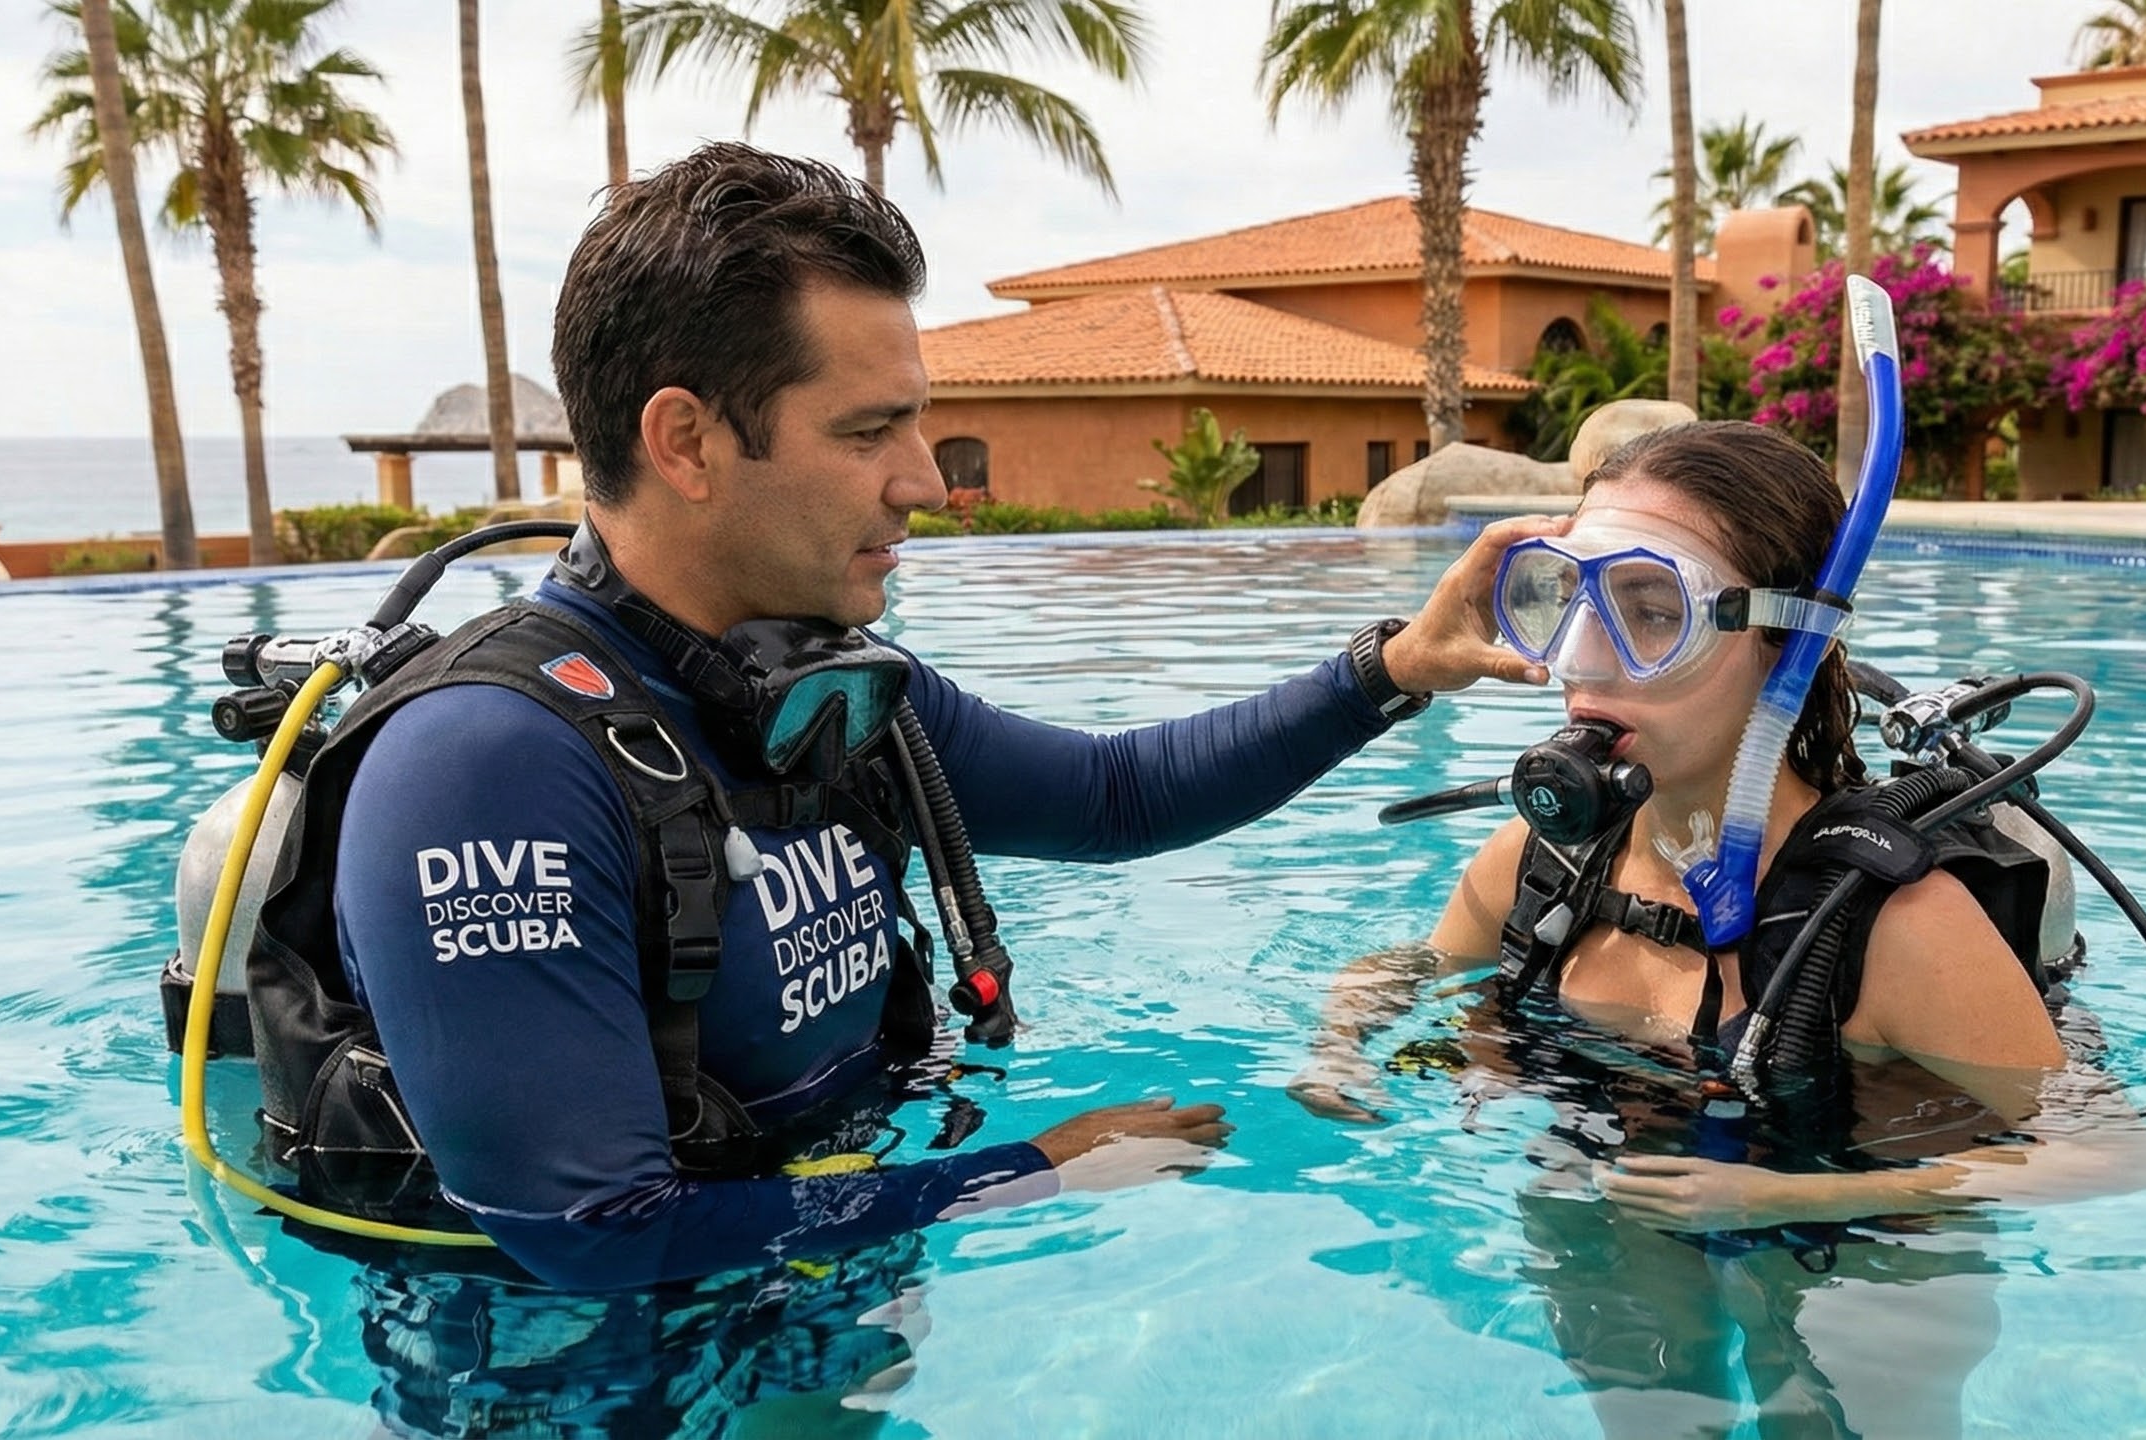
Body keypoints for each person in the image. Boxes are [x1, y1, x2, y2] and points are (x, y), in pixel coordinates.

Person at [234, 142, 1554, 1427]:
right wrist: (1026, 1175)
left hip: (804, 1287)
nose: (926, 480)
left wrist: (1398, 666)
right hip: (582, 1377)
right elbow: (589, 1240)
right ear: (686, 441)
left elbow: (1115, 799)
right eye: (871, 430)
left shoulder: (836, 697)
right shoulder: (488, 770)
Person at [1293, 419, 2146, 1434]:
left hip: (1862, 1228)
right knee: (1650, 1417)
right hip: (1626, 1189)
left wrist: (1786, 1205)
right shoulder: (1541, 866)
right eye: (1563, 600)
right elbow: (1402, 972)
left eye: (1651, 611)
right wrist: (1342, 1049)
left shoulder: (1892, 923)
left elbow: (2110, 1153)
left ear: (1782, 643)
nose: (1584, 661)